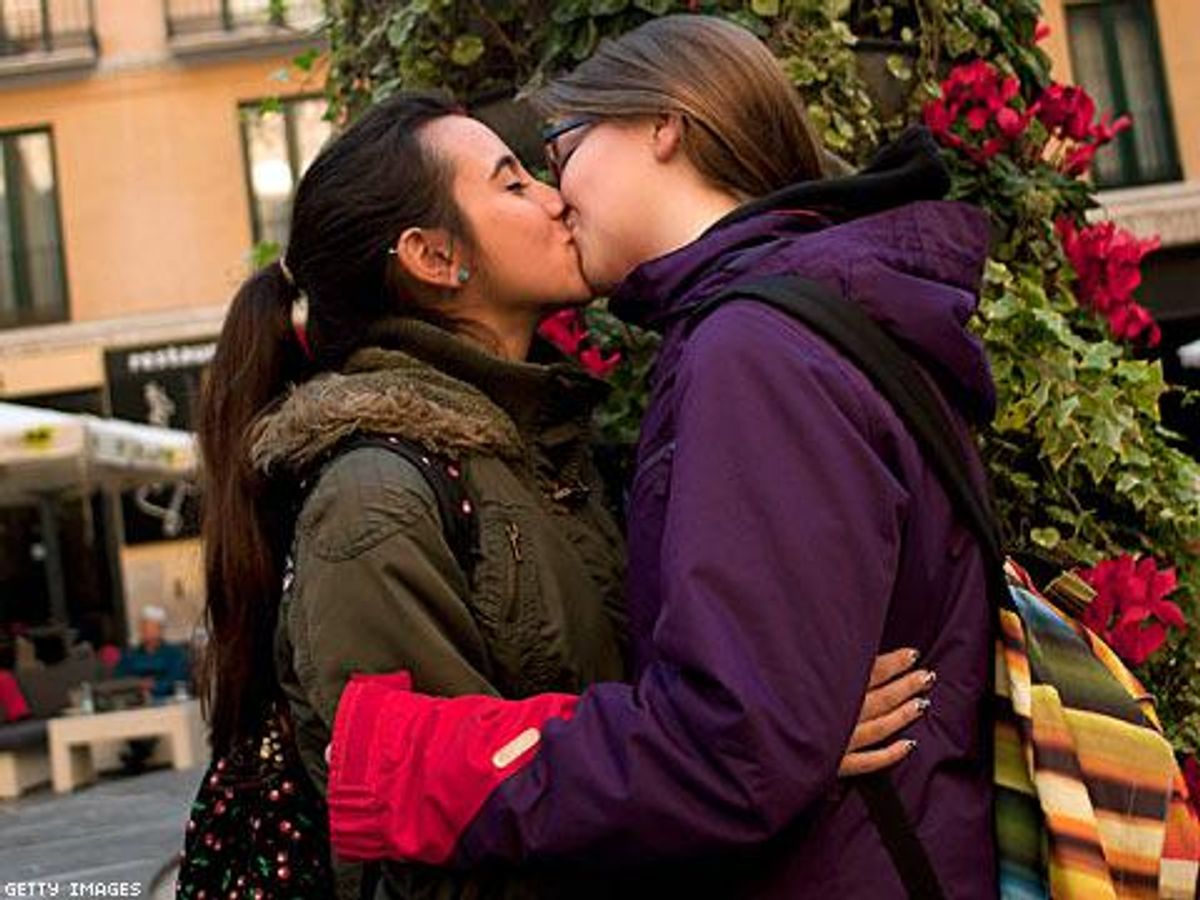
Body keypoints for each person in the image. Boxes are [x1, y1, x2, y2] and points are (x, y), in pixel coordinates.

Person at [192, 90, 934, 900]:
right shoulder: (376, 500)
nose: (558, 198)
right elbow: (425, 847)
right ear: (435, 258)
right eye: (514, 184)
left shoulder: (549, 450)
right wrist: (765, 754)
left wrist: (763, 729)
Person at [325, 15, 997, 898]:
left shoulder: (752, 348)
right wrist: (793, 722)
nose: (559, 196)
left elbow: (737, 748)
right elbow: (764, 722)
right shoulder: (797, 314)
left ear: (662, 125)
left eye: (560, 150)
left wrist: (421, 765)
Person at [115, 604, 189, 700]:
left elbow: (177, 679)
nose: (146, 631)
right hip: (136, 701)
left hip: (168, 702)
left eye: (151, 627)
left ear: (160, 630)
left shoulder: (174, 653)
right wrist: (139, 684)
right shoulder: (129, 654)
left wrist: (154, 686)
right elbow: (120, 679)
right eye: (143, 627)